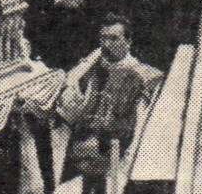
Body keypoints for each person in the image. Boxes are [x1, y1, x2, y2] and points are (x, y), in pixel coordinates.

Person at [56, 16, 163, 157]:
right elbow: (69, 115)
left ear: (128, 42)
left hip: (121, 155)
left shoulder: (145, 77)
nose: (106, 44)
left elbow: (143, 128)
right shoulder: (88, 72)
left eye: (114, 38)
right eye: (103, 38)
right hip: (81, 153)